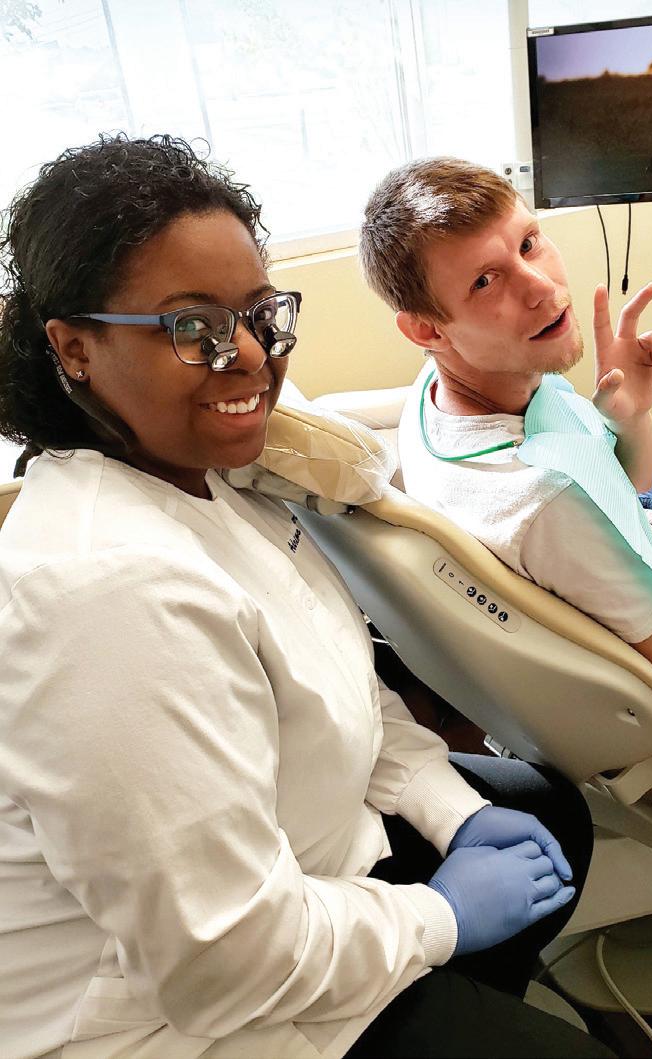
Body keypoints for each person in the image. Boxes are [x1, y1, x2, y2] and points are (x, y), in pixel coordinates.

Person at [0, 136, 611, 1059]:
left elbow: (339, 686)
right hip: (180, 1018)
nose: (249, 356)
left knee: (542, 805)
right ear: (74, 347)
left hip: (296, 863)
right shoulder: (107, 593)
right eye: (193, 327)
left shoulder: (212, 474)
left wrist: (450, 808)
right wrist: (438, 918)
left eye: (260, 315)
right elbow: (219, 960)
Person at [359, 157, 652, 719]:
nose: (541, 287)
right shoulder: (547, 500)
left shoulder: (444, 389)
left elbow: (627, 483)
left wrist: (629, 418)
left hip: (638, 526)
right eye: (484, 281)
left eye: (528, 243)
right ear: (426, 329)